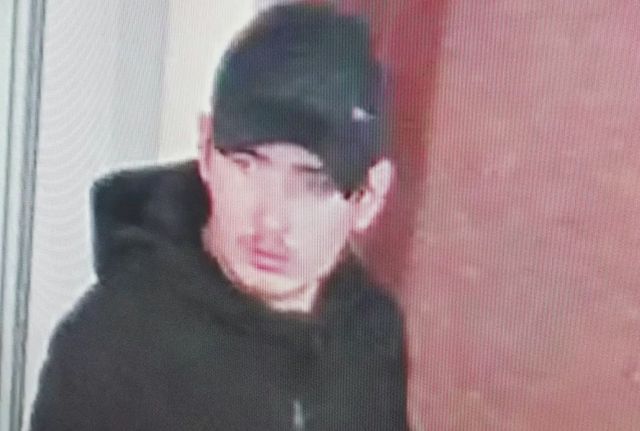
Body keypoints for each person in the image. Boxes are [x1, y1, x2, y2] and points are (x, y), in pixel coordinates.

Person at [29, 3, 409, 430]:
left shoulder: (369, 332)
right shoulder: (115, 345)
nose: (271, 220)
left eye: (314, 183)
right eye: (247, 164)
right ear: (206, 149)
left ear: (369, 197)